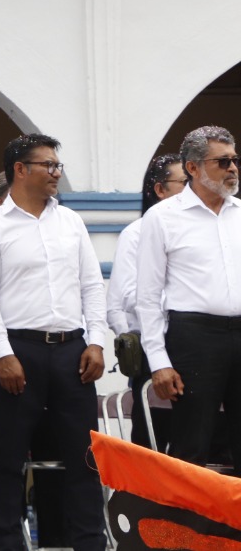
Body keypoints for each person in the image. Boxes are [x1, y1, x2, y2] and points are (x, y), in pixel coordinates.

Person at [0, 134, 107, 551]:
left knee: (84, 458)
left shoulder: (70, 221)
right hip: (18, 351)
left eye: (57, 166)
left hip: (72, 350)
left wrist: (96, 341)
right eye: (48, 165)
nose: (56, 173)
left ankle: (89, 544)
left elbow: (92, 286)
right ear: (20, 170)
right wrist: (2, 353)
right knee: (9, 460)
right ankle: (7, 544)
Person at [136, 125, 241, 466]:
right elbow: (148, 297)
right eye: (222, 161)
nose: (233, 169)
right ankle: (184, 523)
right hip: (194, 338)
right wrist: (158, 361)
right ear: (193, 168)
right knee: (191, 446)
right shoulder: (163, 217)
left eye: (235, 160)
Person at [108, 153, 184, 449]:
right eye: (184, 181)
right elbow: (127, 296)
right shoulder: (137, 233)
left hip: (200, 347)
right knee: (151, 448)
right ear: (160, 189)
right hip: (154, 350)